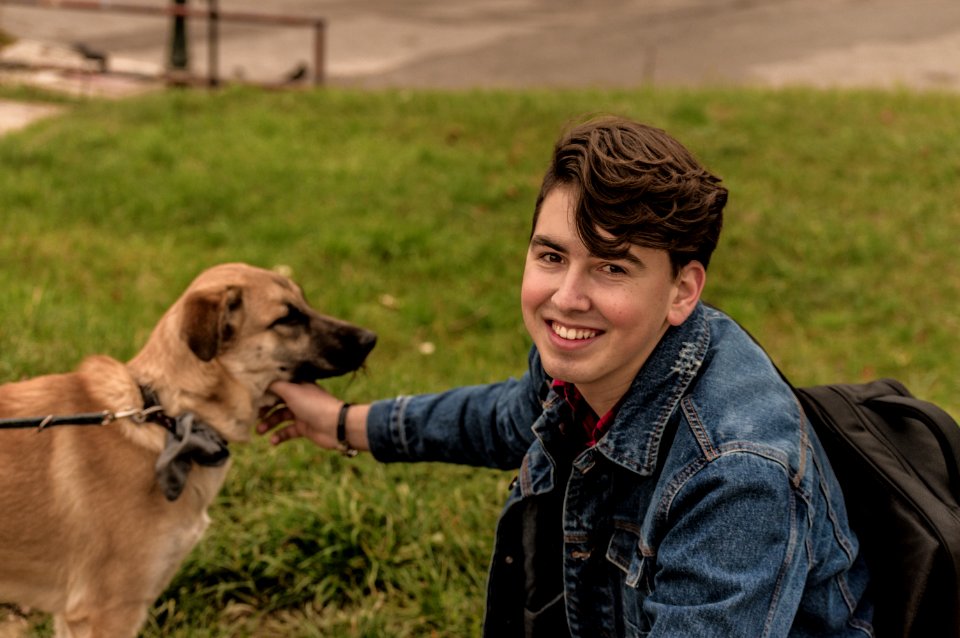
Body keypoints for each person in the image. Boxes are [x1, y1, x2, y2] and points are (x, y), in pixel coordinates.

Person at [258, 116, 874, 637]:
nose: (566, 298)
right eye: (552, 256)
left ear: (682, 290)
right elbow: (508, 419)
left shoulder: (733, 475)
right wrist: (341, 423)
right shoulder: (592, 362)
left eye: (610, 266)